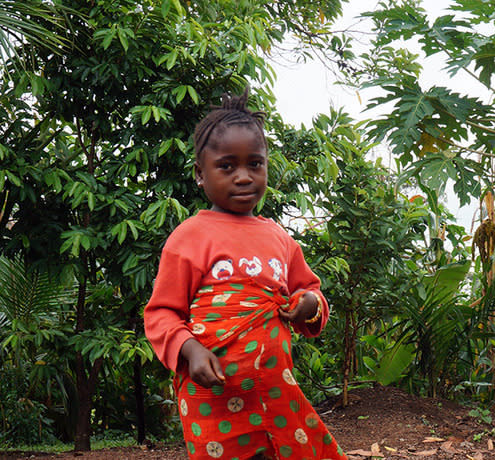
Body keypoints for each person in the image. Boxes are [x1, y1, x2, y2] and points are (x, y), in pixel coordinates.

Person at [144, 90, 347, 460]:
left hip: (273, 387)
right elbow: (161, 313)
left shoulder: (279, 238)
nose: (243, 177)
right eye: (227, 166)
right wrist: (191, 351)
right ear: (199, 175)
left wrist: (308, 305)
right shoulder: (189, 237)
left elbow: (310, 291)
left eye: (255, 164)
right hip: (213, 393)